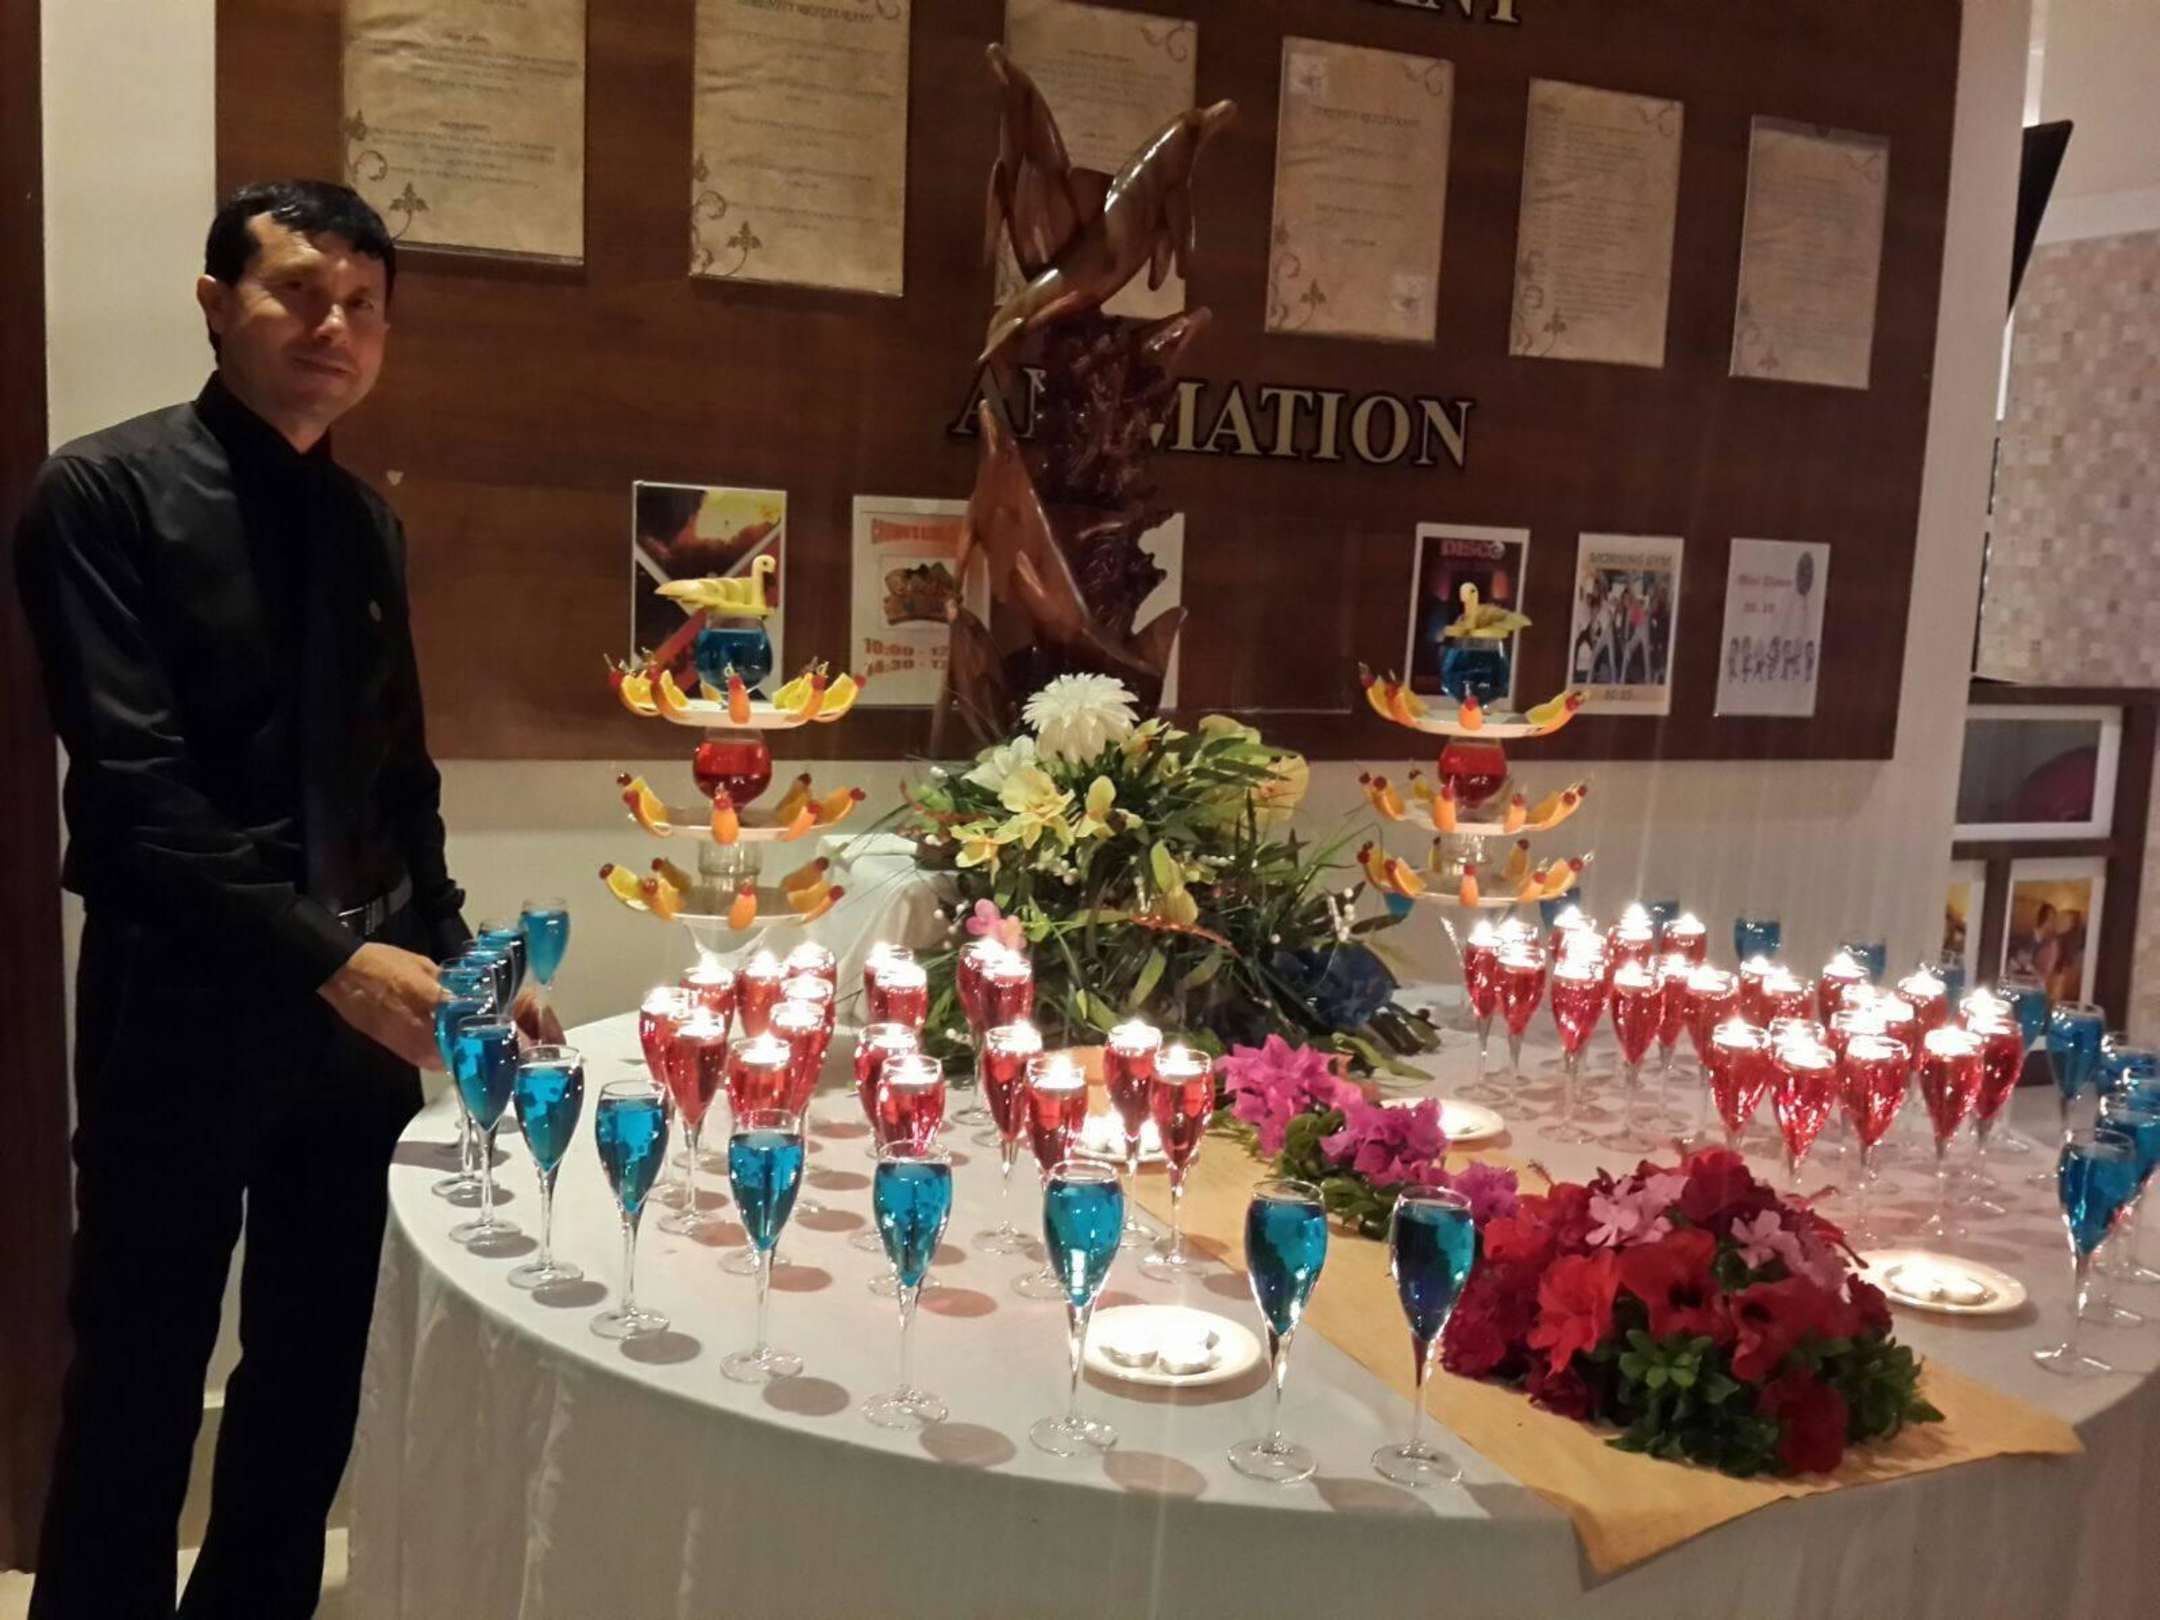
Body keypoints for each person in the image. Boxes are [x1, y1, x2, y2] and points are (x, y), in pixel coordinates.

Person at [14, 180, 543, 1619]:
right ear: (215, 304)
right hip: (181, 997)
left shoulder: (369, 525)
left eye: (363, 305)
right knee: (139, 1366)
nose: (333, 327)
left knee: (315, 1364)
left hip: (360, 1011)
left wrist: (460, 958)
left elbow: (399, 780)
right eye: (298, 291)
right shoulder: (101, 493)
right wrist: (336, 962)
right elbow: (136, 793)